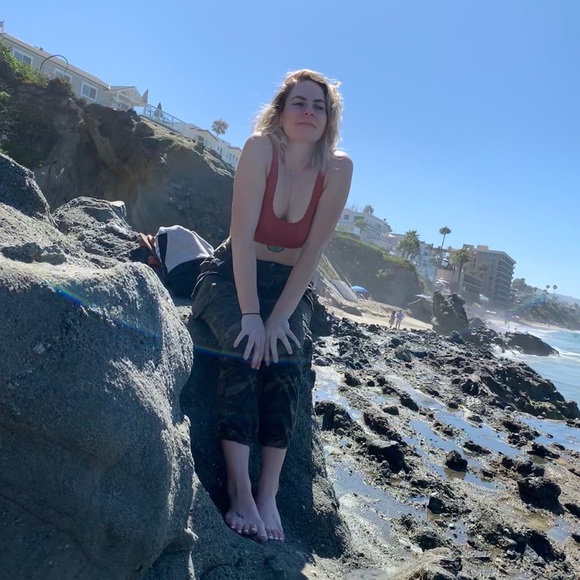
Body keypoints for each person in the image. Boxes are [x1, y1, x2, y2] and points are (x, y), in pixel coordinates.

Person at [191, 70, 353, 543]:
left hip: (290, 283)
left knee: (285, 356)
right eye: (299, 102)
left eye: (319, 106)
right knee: (245, 347)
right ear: (281, 111)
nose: (308, 112)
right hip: (230, 272)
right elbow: (241, 237)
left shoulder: (338, 168)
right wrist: (250, 315)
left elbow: (313, 250)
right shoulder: (261, 149)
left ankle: (268, 492)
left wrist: (279, 316)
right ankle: (239, 490)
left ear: (329, 119)